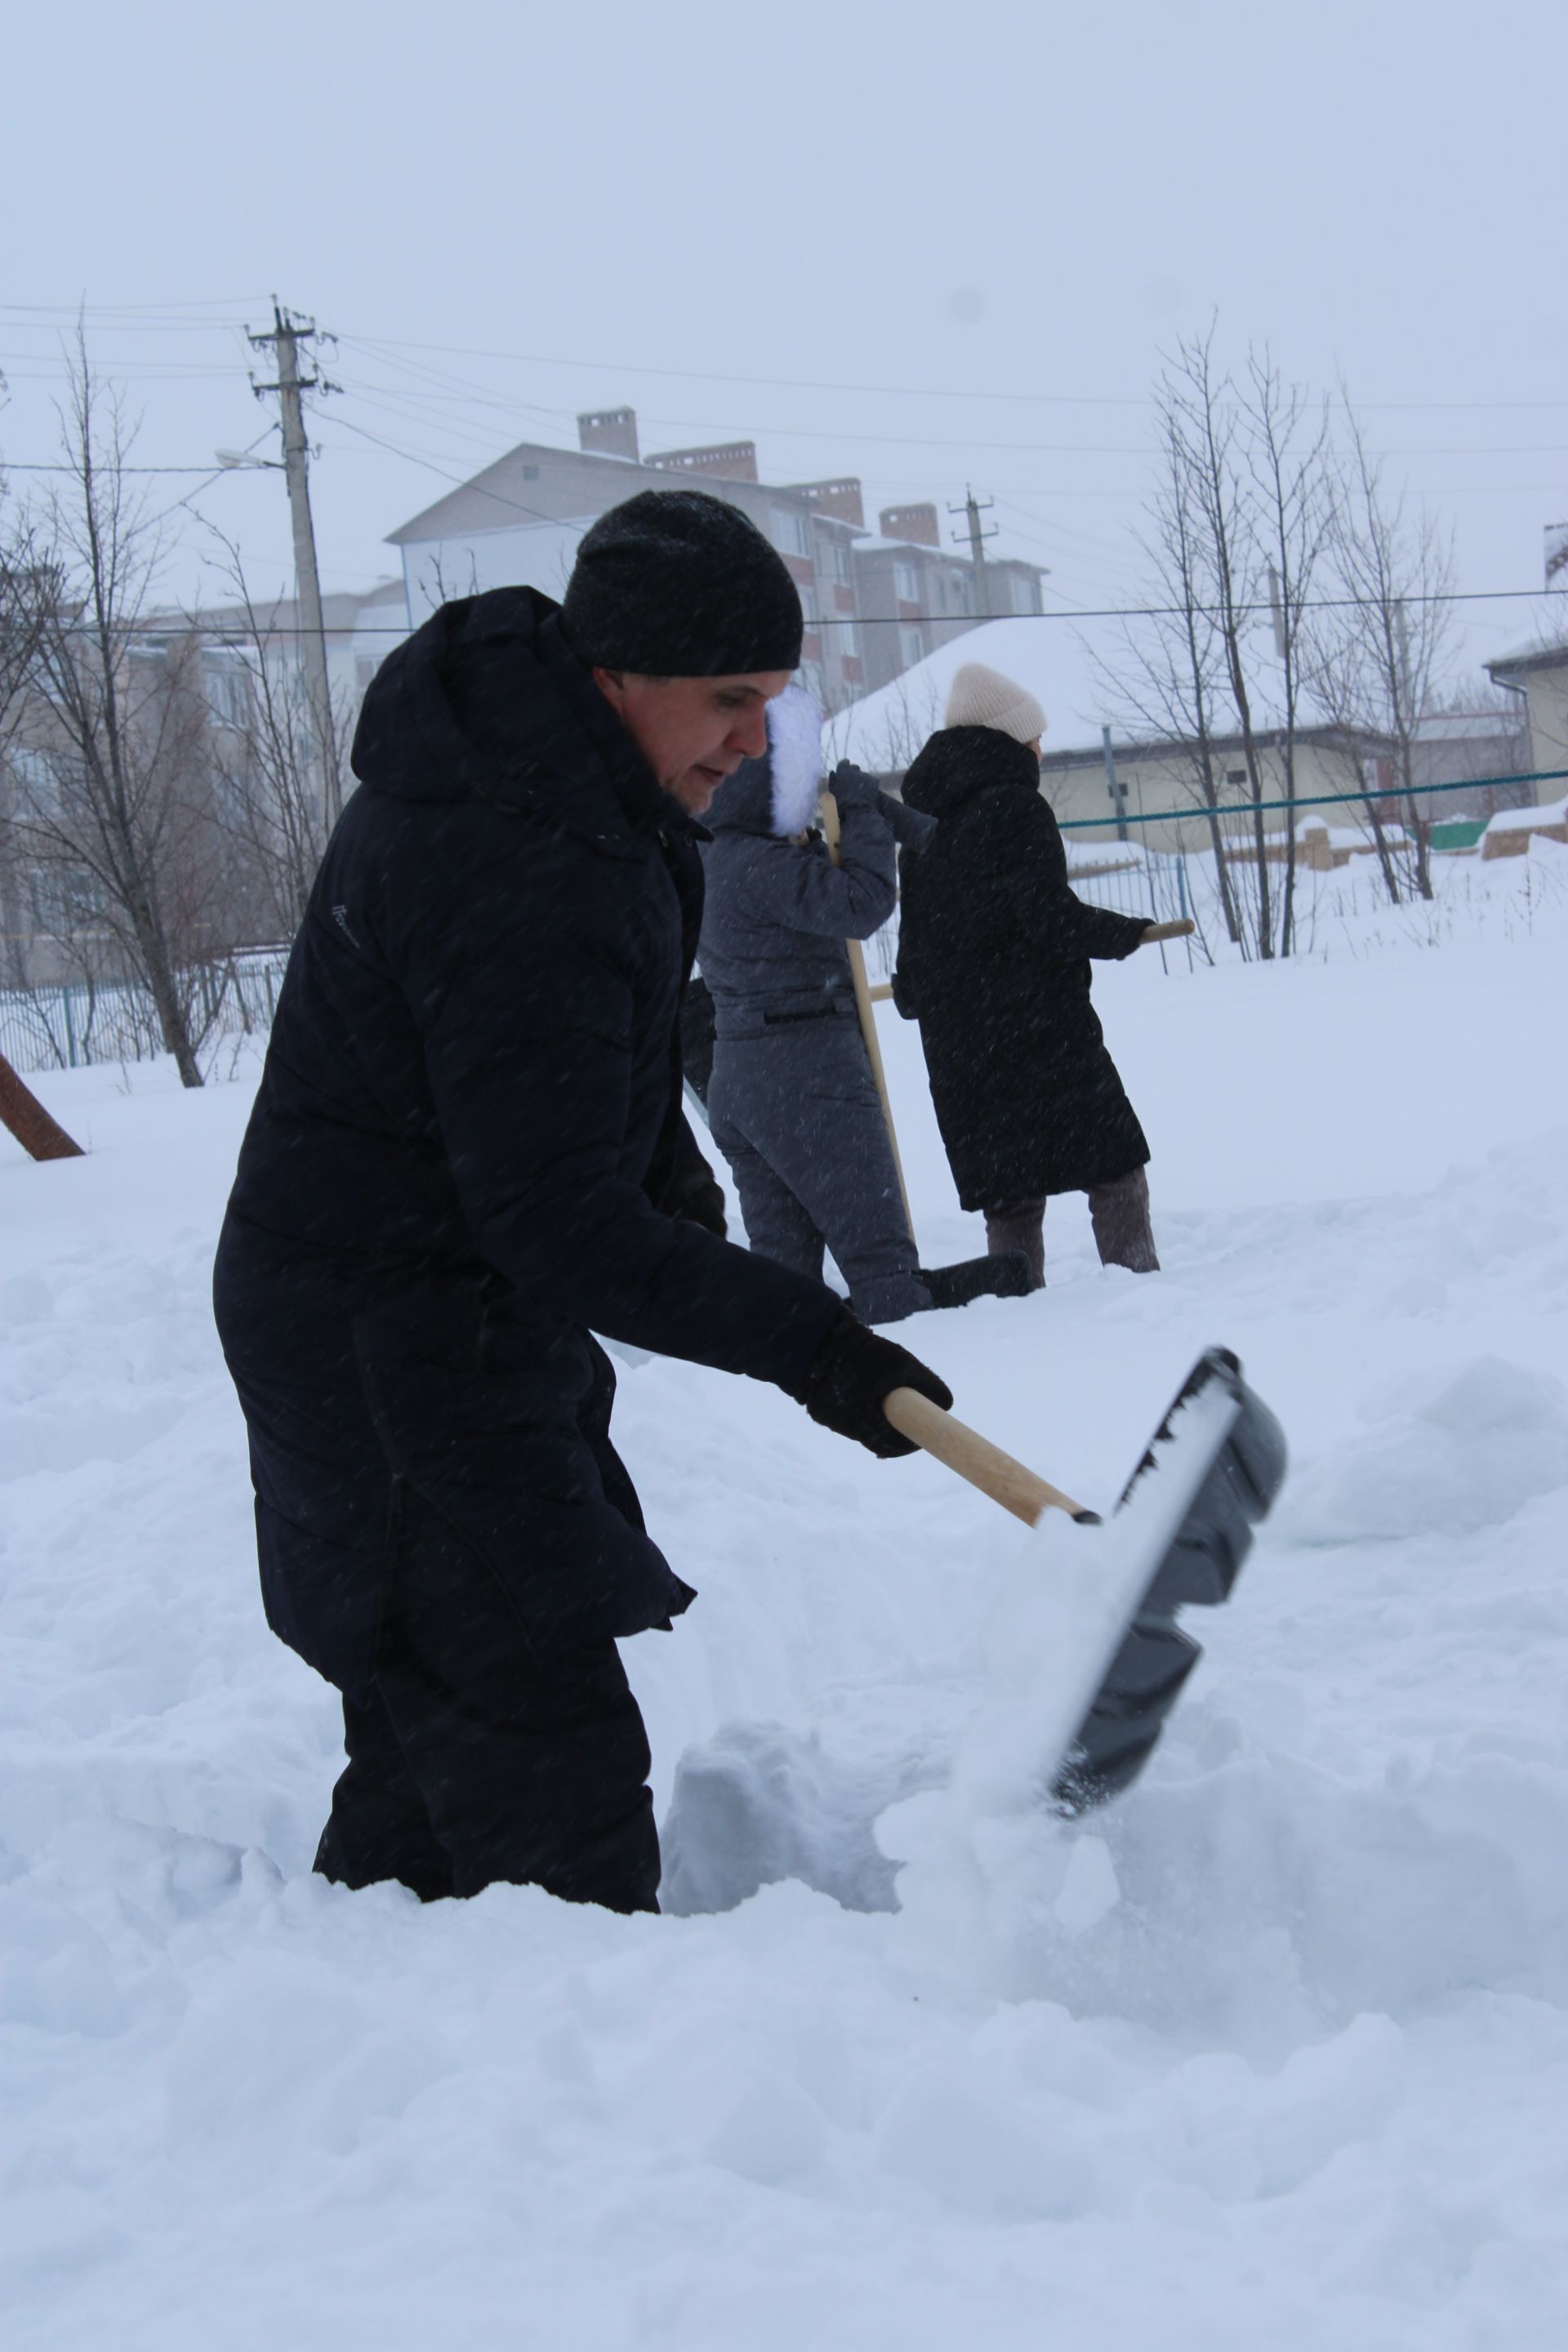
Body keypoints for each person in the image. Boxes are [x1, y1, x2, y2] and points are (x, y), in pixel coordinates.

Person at [212, 489, 951, 1918]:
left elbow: (584, 1082)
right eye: (729, 700)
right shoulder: (515, 848)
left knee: (441, 1733)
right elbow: (550, 1218)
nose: (755, 741)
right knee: (546, 1771)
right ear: (615, 674)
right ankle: (579, 2078)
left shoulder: (585, 794)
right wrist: (816, 1345)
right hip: (382, 1337)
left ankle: (364, 2009)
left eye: (776, 704)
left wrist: (670, 1193)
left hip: (425, 1310)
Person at [893, 660, 1167, 1289]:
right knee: (1114, 1165)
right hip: (1039, 1029)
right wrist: (1122, 934)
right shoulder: (1017, 808)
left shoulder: (921, 828)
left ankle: (1017, 1313)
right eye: (1034, 737)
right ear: (1009, 740)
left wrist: (927, 996)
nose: (1041, 749)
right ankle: (1140, 1289)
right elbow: (1048, 916)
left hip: (965, 1043)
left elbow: (916, 949)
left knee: (1009, 1190)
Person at [697, 698, 935, 1323]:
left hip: (741, 1076)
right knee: (880, 1261)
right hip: (807, 1073)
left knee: (784, 1276)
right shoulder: (760, 865)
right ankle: (922, 1391)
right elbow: (862, 902)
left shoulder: (712, 857)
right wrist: (859, 812)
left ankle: (793, 1398)